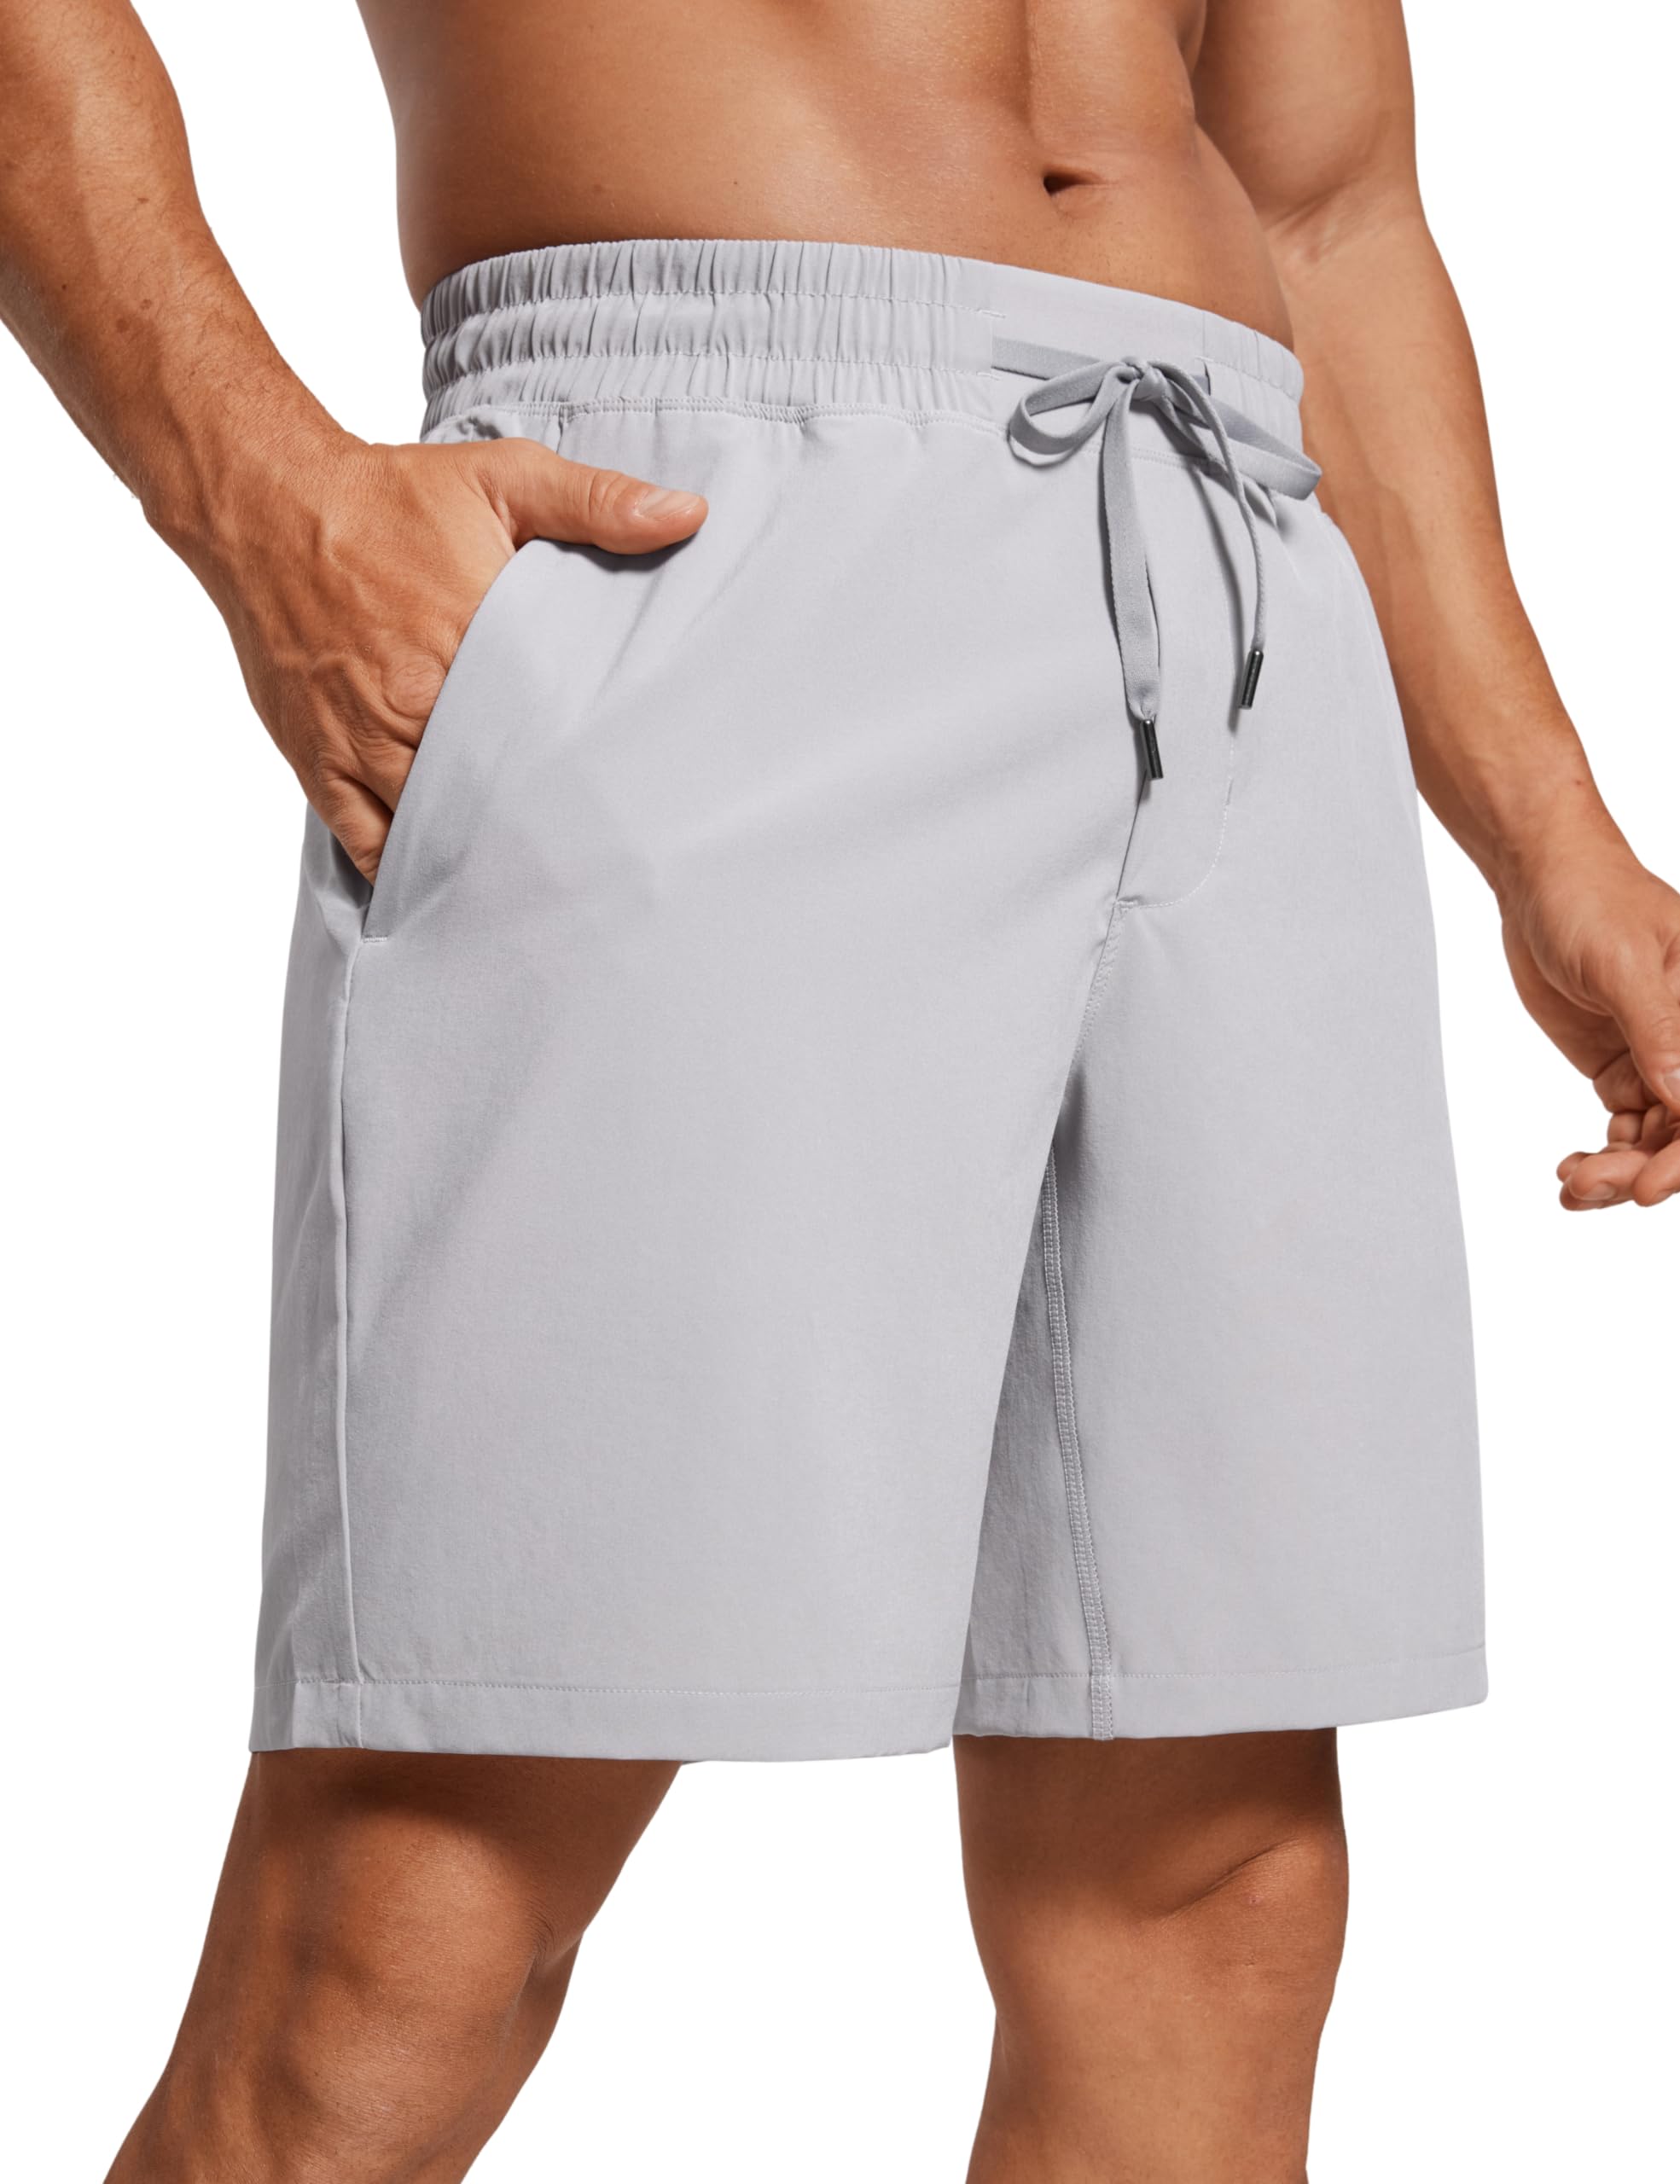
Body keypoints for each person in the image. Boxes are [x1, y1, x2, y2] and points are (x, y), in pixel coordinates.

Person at [3, 0, 1676, 2176]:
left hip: (1241, 554)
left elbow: (1323, 202)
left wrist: (1552, 837)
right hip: (698, 513)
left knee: (1207, 1883)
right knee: (423, 1893)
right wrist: (256, 491)